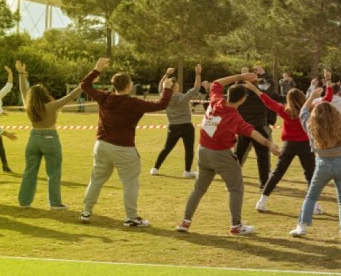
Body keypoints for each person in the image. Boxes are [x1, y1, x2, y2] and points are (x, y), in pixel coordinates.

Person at [175, 72, 280, 235]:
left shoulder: (216, 100)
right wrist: (269, 143)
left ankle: (185, 222)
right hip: (221, 154)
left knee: (199, 188)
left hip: (202, 151)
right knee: (236, 188)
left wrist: (240, 75)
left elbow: (216, 82)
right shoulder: (235, 118)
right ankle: (236, 225)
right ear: (242, 100)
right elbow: (252, 132)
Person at [79, 58, 173, 227]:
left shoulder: (105, 97)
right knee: (130, 183)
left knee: (96, 180)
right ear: (128, 86)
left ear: (114, 85)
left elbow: (84, 85)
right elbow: (162, 104)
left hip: (101, 145)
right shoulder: (134, 103)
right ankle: (131, 217)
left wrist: (96, 69)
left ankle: (86, 211)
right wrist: (167, 89)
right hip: (124, 149)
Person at [288, 83, 341, 239]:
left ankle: (302, 227)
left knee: (311, 196)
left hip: (322, 164)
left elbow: (302, 112)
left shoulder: (310, 126)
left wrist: (312, 97)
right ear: (335, 113)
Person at [247, 81, 320, 215]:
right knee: (310, 174)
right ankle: (314, 205)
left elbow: (267, 101)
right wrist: (317, 92)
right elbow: (327, 100)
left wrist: (254, 89)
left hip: (289, 145)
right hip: (305, 145)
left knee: (277, 173)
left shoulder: (284, 111)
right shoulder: (311, 109)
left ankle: (262, 201)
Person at [16, 61, 82, 209]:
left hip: (33, 138)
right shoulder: (52, 106)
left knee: (29, 172)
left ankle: (24, 202)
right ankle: (55, 203)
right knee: (54, 173)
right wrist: (85, 83)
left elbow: (23, 91)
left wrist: (21, 74)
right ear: (45, 94)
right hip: (50, 139)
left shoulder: (29, 106)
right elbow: (71, 96)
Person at [150, 65, 203, 178]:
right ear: (175, 88)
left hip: (172, 126)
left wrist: (167, 74)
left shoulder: (164, 97)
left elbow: (161, 86)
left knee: (166, 149)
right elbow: (197, 87)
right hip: (186, 126)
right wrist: (198, 74)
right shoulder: (183, 98)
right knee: (189, 149)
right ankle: (187, 171)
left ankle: (155, 168)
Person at [234, 66, 282, 190]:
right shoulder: (262, 93)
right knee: (263, 157)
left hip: (244, 128)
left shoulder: (238, 95)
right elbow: (271, 85)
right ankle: (264, 183)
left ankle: (232, 180)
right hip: (260, 128)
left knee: (238, 155)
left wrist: (241, 77)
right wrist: (264, 74)